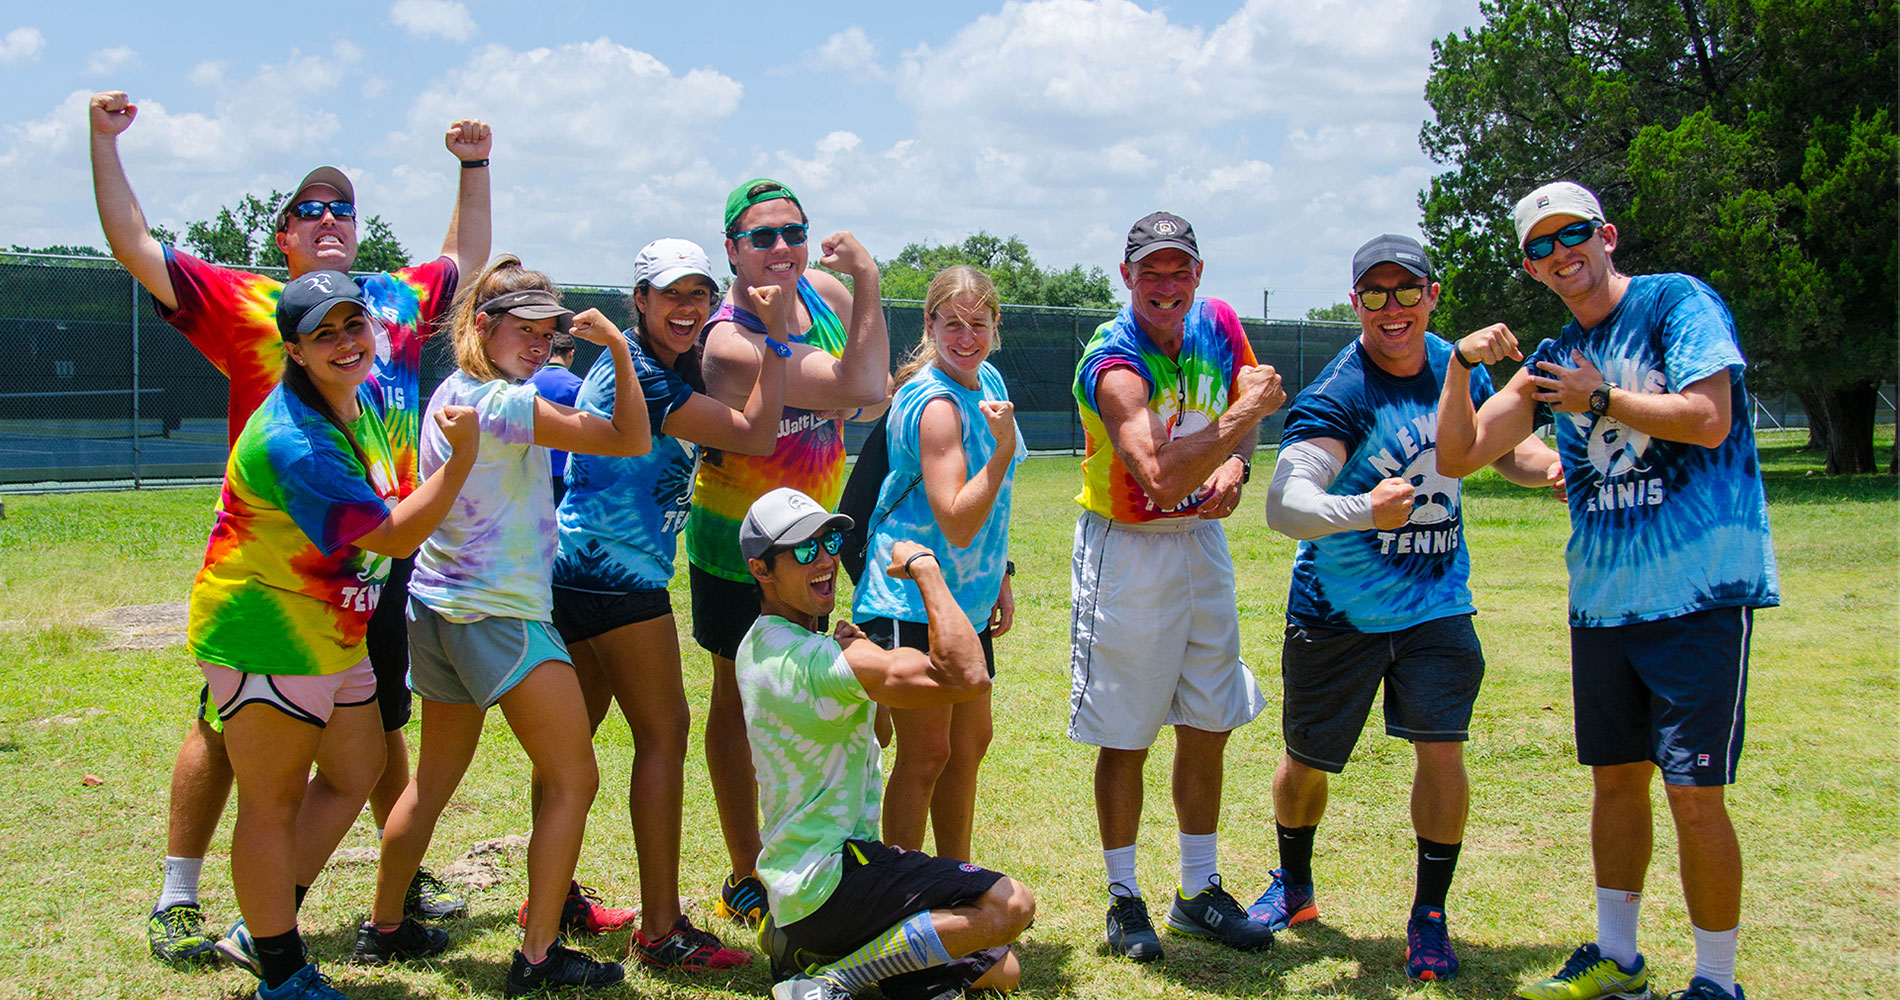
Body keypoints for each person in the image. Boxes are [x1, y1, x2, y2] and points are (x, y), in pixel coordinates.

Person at [87, 89, 491, 963]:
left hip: (369, 574)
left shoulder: (385, 299)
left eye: (343, 205)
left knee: (376, 726)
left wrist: (472, 166)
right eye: (309, 209)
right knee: (237, 740)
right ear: (284, 237)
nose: (330, 217)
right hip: (278, 574)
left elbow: (464, 257)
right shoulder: (249, 304)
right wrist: (105, 143)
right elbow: (134, 246)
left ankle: (392, 872)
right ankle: (189, 894)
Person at [1435, 181, 1778, 1000]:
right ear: (1531, 267)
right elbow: (1459, 456)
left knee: (1696, 794)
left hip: (1697, 596)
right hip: (1603, 604)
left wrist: (1602, 399)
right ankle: (1619, 961)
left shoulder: (1676, 305)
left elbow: (1708, 417)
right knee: (1616, 783)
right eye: (1542, 247)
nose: (1562, 255)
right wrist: (1457, 365)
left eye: (1574, 234)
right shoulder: (1551, 357)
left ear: (1607, 235)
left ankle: (1716, 982)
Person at [1257, 234, 1563, 981]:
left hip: (1436, 603)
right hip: (1339, 611)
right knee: (1306, 762)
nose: (1390, 308)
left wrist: (1552, 463)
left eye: (1406, 291)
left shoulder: (1453, 367)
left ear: (1432, 294)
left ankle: (1430, 914)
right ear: (1355, 300)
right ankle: (1293, 884)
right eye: (1374, 293)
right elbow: (1285, 504)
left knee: (1442, 748)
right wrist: (1364, 508)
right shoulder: (1343, 390)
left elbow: (1495, 448)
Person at [361, 258, 649, 995]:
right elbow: (628, 439)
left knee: (430, 783)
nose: (542, 346)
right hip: (500, 615)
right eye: (525, 331)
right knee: (573, 777)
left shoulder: (453, 392)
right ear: (481, 328)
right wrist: (618, 347)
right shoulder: (503, 403)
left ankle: (385, 928)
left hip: (437, 608)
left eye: (550, 334)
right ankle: (538, 955)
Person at [191, 271, 477, 1000]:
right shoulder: (298, 440)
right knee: (271, 800)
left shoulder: (359, 401)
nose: (349, 342)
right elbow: (390, 532)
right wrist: (461, 465)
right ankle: (282, 974)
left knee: (356, 770)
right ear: (294, 349)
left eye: (356, 325)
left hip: (333, 631)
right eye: (326, 333)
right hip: (270, 632)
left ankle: (263, 928)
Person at [545, 238, 788, 968]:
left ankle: (553, 901)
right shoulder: (646, 378)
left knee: (570, 754)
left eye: (698, 295)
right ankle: (660, 931)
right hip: (618, 581)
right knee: (663, 736)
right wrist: (776, 341)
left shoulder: (646, 367)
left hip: (575, 571)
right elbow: (757, 433)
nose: (687, 308)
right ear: (640, 301)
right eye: (670, 294)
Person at [1068, 212, 1284, 962]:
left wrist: (1239, 461)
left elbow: (1246, 402)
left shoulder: (1218, 322)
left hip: (1201, 544)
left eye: (1179, 270)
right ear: (1126, 276)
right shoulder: (1113, 356)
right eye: (1151, 271)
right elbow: (1158, 478)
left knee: (1209, 716)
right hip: (1128, 546)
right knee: (1126, 731)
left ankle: (1197, 891)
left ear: (1198, 273)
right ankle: (1124, 899)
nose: (1167, 285)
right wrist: (1242, 417)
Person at [733, 488, 1036, 1000]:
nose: (826, 558)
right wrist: (924, 567)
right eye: (804, 551)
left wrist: (858, 652)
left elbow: (877, 733)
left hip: (795, 889)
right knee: (1010, 907)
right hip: (837, 877)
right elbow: (968, 675)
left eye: (829, 541)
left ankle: (804, 950)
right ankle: (835, 980)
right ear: (761, 570)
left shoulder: (756, 646)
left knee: (1003, 970)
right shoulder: (824, 663)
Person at [686, 178, 891, 924]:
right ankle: (748, 868)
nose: (781, 248)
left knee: (833, 694)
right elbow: (862, 381)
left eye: (793, 232)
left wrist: (853, 310)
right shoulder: (730, 336)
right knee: (741, 704)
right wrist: (868, 282)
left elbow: (874, 395)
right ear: (732, 249)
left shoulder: (826, 297)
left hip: (814, 530)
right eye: (762, 236)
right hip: (740, 542)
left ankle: (823, 844)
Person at [850, 265, 1022, 864]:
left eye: (979, 324)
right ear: (930, 325)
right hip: (909, 597)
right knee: (925, 755)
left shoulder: (986, 380)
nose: (966, 338)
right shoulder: (936, 404)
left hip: (964, 599)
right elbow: (954, 516)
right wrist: (1002, 450)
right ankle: (898, 904)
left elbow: (993, 505)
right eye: (953, 324)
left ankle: (956, 882)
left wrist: (1001, 573)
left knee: (970, 745)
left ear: (996, 327)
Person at [526, 327, 582, 504]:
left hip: (532, 467)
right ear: (571, 353)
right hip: (563, 469)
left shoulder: (528, 383)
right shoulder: (577, 385)